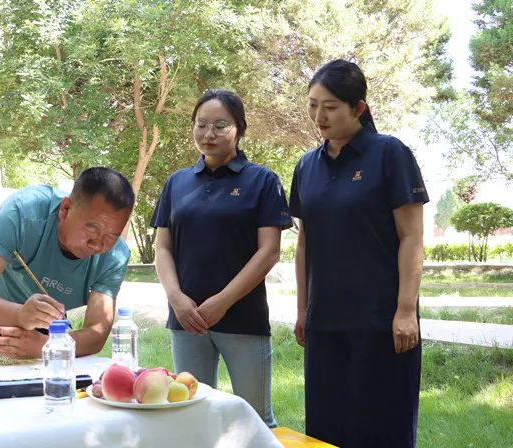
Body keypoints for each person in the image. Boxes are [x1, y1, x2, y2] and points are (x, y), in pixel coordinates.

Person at [290, 59, 428, 447]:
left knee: (383, 425)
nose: (319, 116)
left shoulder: (390, 154)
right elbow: (304, 242)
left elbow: (412, 237)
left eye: (330, 107)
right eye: (313, 105)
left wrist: (405, 310)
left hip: (380, 320)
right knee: (326, 427)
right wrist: (302, 309)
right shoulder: (306, 166)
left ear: (359, 108)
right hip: (325, 320)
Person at [151, 89, 291, 427]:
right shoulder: (177, 183)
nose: (208, 134)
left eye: (219, 125)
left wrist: (223, 301)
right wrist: (176, 299)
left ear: (239, 129)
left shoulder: (262, 181)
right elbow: (163, 248)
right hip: (187, 319)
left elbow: (269, 251)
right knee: (191, 414)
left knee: (255, 418)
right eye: (201, 125)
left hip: (243, 318)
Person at [0, 167, 134, 359]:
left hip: (40, 331)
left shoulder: (115, 256)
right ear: (65, 209)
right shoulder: (24, 211)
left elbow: (97, 333)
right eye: (91, 229)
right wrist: (20, 315)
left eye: (111, 236)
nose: (97, 244)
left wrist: (44, 347)